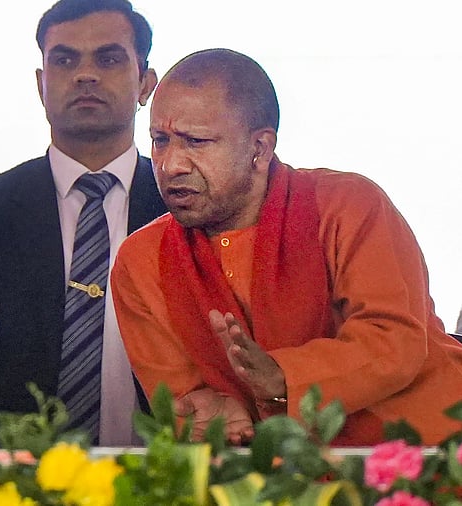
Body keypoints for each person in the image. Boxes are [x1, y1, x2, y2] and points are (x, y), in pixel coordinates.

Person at [111, 48, 462, 446]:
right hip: (272, 477)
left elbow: (395, 341)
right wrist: (211, 415)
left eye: (196, 141)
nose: (171, 164)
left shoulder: (349, 206)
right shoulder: (141, 262)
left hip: (424, 460)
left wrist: (282, 377)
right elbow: (182, 399)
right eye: (160, 140)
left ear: (260, 148)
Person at [0, 0, 165, 446]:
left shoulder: (187, 210)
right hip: (9, 482)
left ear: (145, 83)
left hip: (163, 480)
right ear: (41, 84)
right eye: (64, 59)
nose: (85, 74)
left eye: (109, 58)